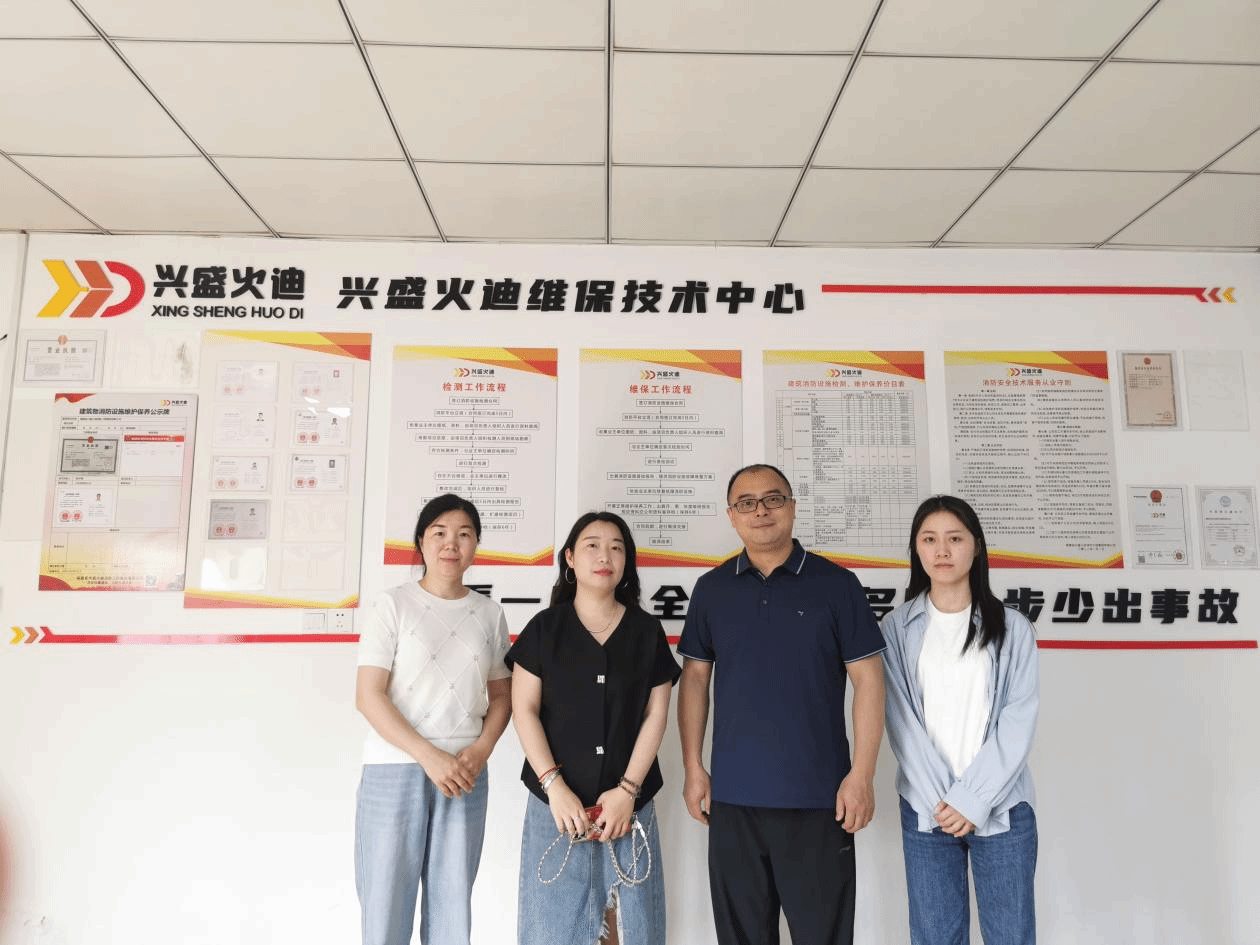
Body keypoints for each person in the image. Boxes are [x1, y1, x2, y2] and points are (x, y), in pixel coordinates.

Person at [677, 463, 886, 945]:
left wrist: (862, 774)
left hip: (819, 799)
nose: (761, 511)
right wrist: (693, 766)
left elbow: (869, 680)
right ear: (732, 515)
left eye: (773, 499)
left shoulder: (837, 585)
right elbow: (694, 681)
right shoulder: (712, 589)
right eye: (746, 503)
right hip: (733, 801)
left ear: (792, 507)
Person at [508, 511, 681, 945]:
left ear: (626, 562)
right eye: (592, 546)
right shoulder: (544, 628)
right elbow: (523, 709)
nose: (605, 556)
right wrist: (554, 786)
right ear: (570, 558)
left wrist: (628, 791)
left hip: (630, 809)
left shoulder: (646, 631)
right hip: (555, 808)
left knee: (634, 929)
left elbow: (656, 715)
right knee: (552, 930)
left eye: (616, 548)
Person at [354, 493, 512, 945]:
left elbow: (502, 697)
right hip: (395, 768)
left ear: (475, 545)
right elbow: (368, 696)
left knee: (451, 910)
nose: (451, 544)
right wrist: (428, 756)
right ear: (421, 541)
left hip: (465, 772)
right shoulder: (393, 605)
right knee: (385, 906)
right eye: (439, 533)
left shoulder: (489, 613)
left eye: (464, 534)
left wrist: (481, 750)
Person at [881, 495, 1039, 945]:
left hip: (1002, 808)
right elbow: (900, 720)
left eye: (955, 538)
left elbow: (1018, 719)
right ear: (916, 548)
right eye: (929, 539)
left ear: (976, 546)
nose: (942, 551)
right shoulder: (895, 628)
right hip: (927, 808)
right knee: (935, 937)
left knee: (1010, 936)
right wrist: (944, 802)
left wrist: (972, 799)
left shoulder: (1013, 627)